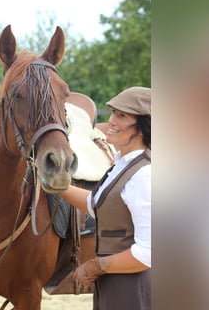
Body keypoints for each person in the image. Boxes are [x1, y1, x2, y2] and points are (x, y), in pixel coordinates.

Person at [61, 86, 151, 310]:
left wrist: (94, 266)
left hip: (133, 285)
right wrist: (58, 186)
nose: (111, 121)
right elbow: (97, 205)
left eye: (122, 115)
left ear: (143, 126)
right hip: (112, 281)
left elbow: (147, 252)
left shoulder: (144, 175)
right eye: (112, 113)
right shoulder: (123, 163)